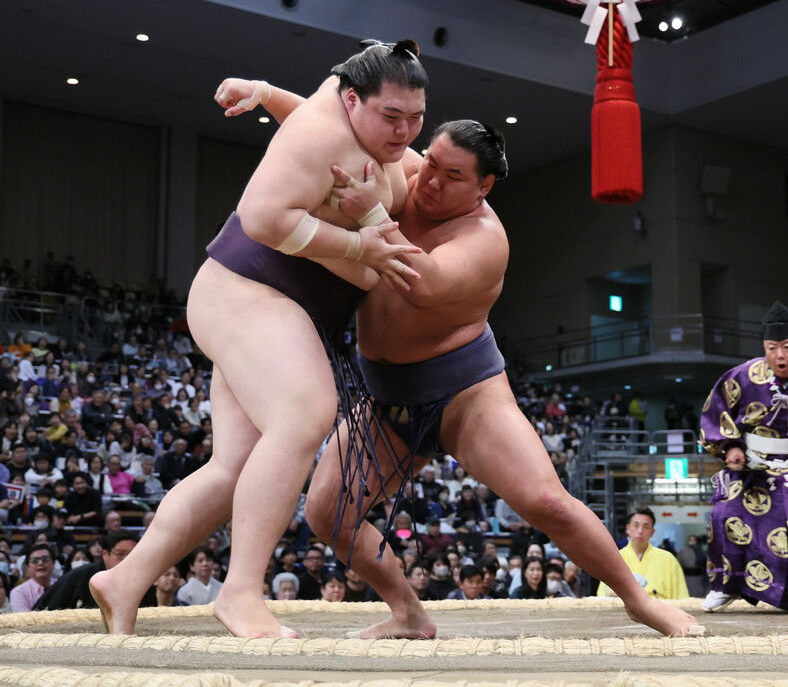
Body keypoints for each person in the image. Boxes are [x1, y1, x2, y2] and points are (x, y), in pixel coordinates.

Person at [292, 117, 699, 637]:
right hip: (387, 398)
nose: (430, 181)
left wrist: (371, 213)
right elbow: (322, 126)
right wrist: (262, 93)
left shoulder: (487, 238)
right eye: (431, 163)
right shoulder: (409, 177)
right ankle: (409, 612)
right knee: (327, 514)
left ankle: (638, 599)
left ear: (483, 185)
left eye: (452, 175)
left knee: (546, 501)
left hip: (465, 394)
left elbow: (423, 281)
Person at [89, 40, 427, 637]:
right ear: (353, 100)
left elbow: (316, 133)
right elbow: (263, 216)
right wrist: (357, 246)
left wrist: (268, 95)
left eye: (415, 118)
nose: (403, 132)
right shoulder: (327, 130)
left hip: (271, 309)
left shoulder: (350, 124)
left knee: (234, 466)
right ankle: (241, 592)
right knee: (305, 412)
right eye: (391, 117)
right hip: (245, 292)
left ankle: (126, 578)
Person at [699, 301, 788, 612]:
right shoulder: (742, 376)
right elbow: (716, 415)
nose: (780, 355)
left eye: (787, 347)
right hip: (752, 470)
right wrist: (730, 448)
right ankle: (727, 584)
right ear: (764, 347)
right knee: (723, 514)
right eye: (772, 347)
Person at [34, 531, 156, 611]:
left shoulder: (144, 581)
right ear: (105, 554)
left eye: (132, 554)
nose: (126, 560)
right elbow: (45, 608)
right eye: (119, 554)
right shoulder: (80, 576)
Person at [596, 508, 689, 600]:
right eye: (636, 526)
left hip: (658, 611)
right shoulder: (615, 558)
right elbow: (603, 596)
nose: (640, 531)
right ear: (628, 529)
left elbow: (682, 598)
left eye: (646, 527)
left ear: (652, 532)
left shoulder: (668, 559)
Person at [9, 544, 57, 611]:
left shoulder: (64, 585)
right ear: (27, 567)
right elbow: (25, 620)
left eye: (45, 559)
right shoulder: (19, 592)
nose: (40, 563)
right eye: (35, 560)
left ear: (54, 563)